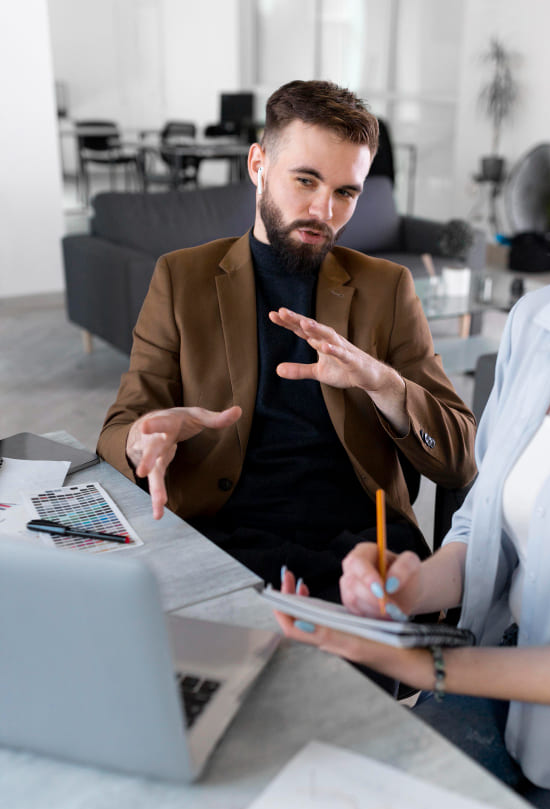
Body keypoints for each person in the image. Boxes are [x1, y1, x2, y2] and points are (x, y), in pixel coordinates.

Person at [275, 1, 550, 809]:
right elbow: (480, 526)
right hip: (499, 717)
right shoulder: (539, 325)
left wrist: (426, 663)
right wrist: (412, 584)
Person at [97, 80, 476, 643]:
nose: (324, 210)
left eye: (346, 192)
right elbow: (119, 428)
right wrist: (141, 440)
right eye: (306, 180)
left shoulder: (386, 289)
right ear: (258, 164)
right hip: (222, 534)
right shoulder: (182, 278)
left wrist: (386, 385)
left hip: (360, 547)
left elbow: (459, 459)